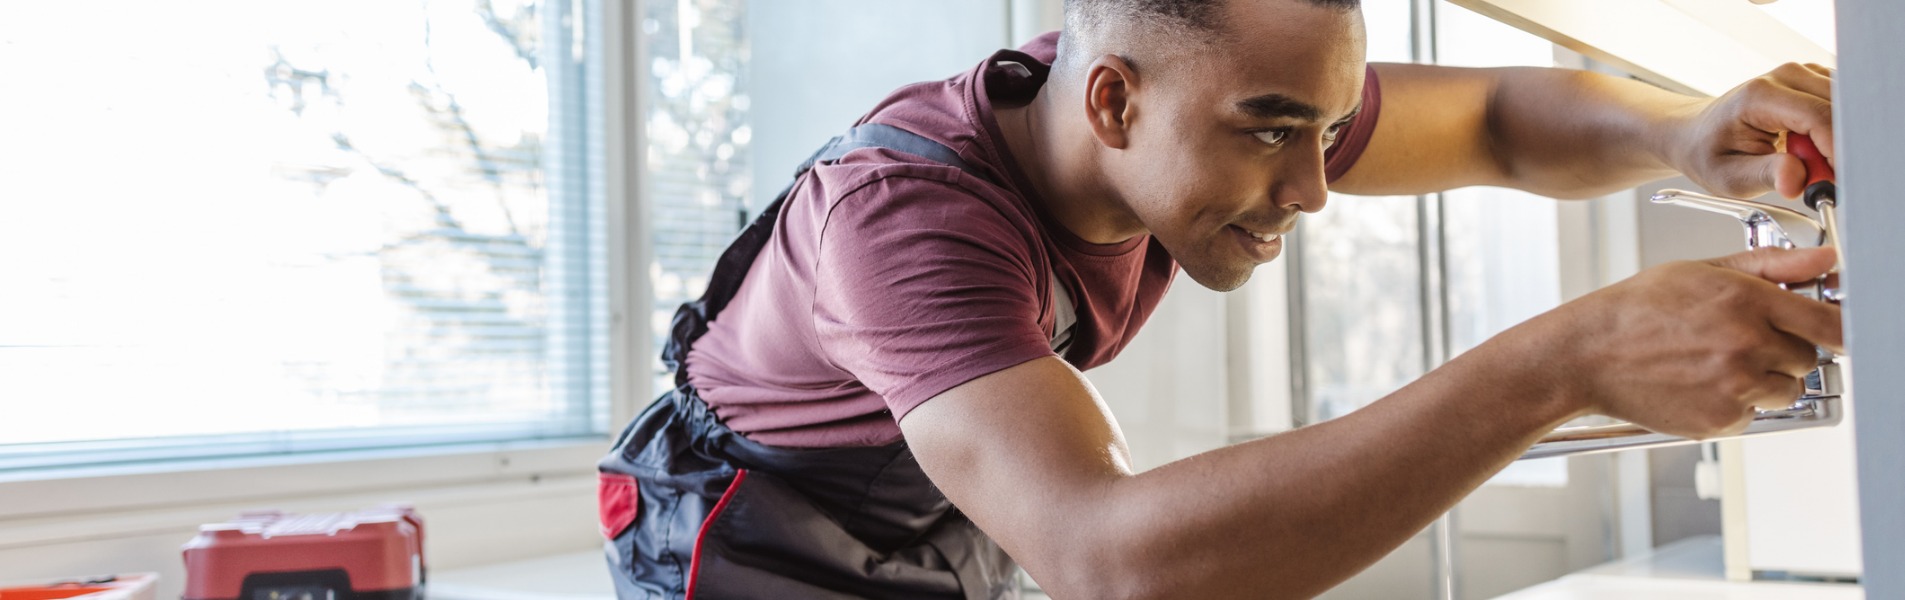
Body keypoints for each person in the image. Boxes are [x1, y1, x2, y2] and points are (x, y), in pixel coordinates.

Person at [596, 0, 1843, 598]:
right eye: (1273, 135)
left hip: (937, 506)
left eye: (1330, 129)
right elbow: (1111, 558)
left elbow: (1505, 124)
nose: (1310, 187)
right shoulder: (904, 224)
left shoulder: (1210, 100)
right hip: (747, 544)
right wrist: (1562, 362)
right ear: (1112, 103)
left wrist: (1680, 134)